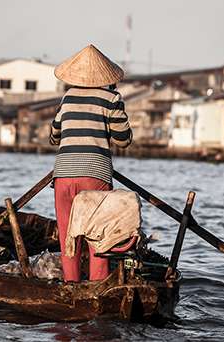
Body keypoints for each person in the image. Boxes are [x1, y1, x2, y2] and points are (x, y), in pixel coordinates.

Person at [50, 44, 133, 282]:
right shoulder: (111, 98)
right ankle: (97, 285)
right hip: (95, 175)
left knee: (69, 236)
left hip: (64, 175)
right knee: (99, 236)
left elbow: (54, 135)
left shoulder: (67, 98)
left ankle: (71, 285)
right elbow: (123, 139)